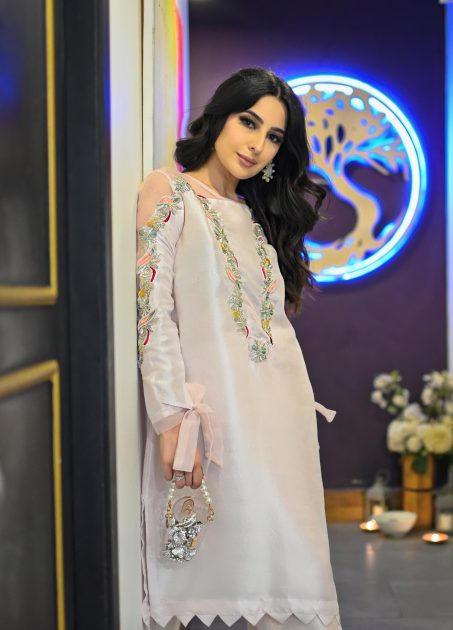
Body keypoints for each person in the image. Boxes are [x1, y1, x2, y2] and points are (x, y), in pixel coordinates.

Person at [136, 67, 342, 630]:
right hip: (213, 420)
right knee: (221, 576)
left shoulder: (257, 216)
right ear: (220, 117)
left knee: (291, 573)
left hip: (280, 421)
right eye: (248, 123)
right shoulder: (169, 192)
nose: (257, 145)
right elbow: (152, 311)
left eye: (273, 136)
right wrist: (170, 414)